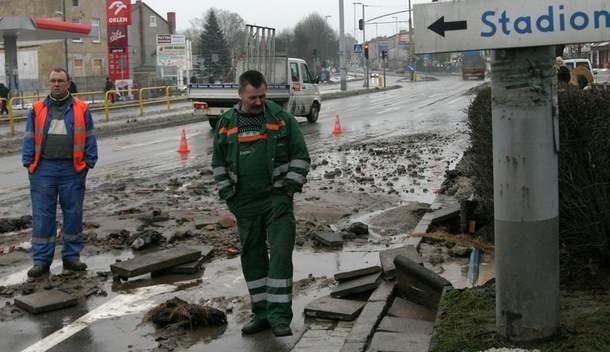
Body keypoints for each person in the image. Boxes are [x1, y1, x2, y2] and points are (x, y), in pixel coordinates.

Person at [212, 70, 310, 337]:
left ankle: (280, 318)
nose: (259, 101)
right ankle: (262, 314)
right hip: (244, 202)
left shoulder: (280, 118)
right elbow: (218, 163)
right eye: (253, 97)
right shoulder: (227, 122)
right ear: (241, 95)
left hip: (277, 199)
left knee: (279, 255)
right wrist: (229, 196)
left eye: (263, 96)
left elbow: (301, 156)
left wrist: (288, 189)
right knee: (252, 258)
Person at [21, 68, 98, 278]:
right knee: (42, 216)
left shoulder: (81, 108)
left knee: (73, 214)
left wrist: (89, 162)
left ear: (68, 83)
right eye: (53, 80)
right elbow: (29, 136)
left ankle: (71, 257)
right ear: (49, 83)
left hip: (71, 170)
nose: (56, 84)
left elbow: (90, 135)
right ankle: (41, 261)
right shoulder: (37, 109)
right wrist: (28, 163)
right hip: (43, 169)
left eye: (60, 81)